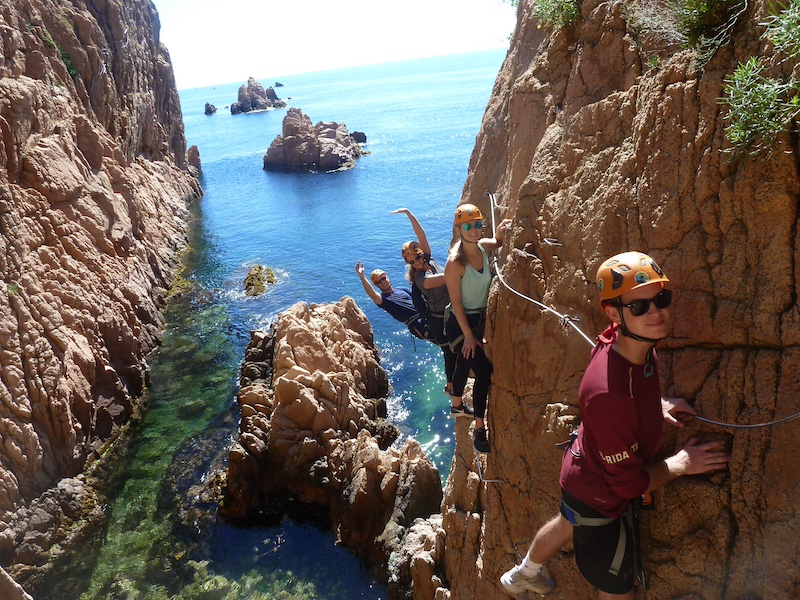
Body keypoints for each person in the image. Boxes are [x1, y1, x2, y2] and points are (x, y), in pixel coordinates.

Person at [500, 251, 731, 598]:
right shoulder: (608, 395)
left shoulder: (626, 343)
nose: (655, 312)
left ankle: (525, 571)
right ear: (613, 313)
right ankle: (528, 572)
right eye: (639, 307)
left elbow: (629, 390)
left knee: (568, 520)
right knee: (618, 590)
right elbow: (628, 486)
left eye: (660, 299)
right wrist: (680, 464)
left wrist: (654, 407)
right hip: (600, 501)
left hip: (582, 473)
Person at [391, 208, 471, 418]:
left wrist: (409, 214)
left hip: (448, 313)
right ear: (410, 264)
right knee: (450, 352)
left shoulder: (428, 259)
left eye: (418, 257)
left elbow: (421, 235)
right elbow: (447, 277)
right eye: (413, 261)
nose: (418, 262)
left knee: (451, 352)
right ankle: (455, 397)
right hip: (439, 320)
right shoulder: (420, 279)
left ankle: (450, 386)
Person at [444, 203, 511, 453]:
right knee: (483, 370)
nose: (474, 230)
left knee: (464, 363)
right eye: (468, 226)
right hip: (460, 324)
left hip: (477, 320)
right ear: (459, 229)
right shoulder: (455, 263)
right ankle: (479, 427)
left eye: (477, 224)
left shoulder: (482, 247)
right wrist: (470, 338)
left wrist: (502, 233)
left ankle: (457, 405)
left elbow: (496, 241)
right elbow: (457, 304)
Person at [354, 262, 427, 338]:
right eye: (379, 282)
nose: (383, 282)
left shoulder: (402, 289)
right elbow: (373, 295)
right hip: (418, 325)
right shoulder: (384, 300)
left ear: (387, 277)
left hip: (426, 315)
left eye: (383, 278)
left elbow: (419, 298)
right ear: (376, 285)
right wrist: (362, 277)